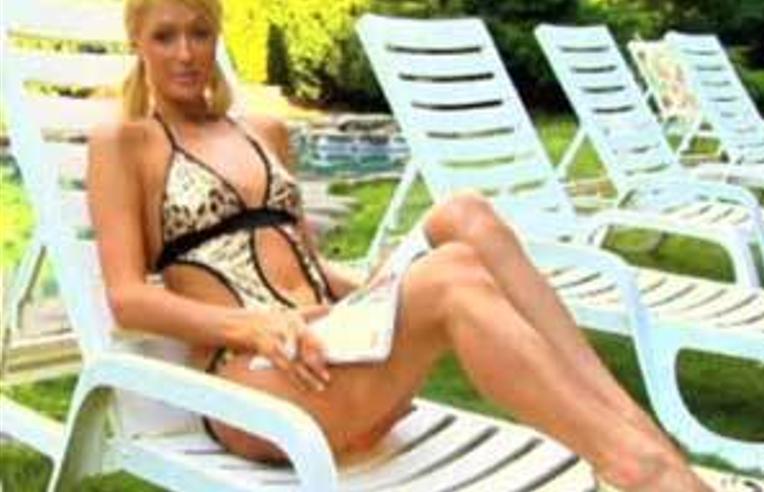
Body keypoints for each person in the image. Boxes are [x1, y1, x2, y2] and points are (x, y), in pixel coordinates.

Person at [89, 0, 712, 490]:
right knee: (452, 276)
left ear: (216, 37)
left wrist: (383, 296)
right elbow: (127, 299)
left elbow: (304, 260)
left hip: (333, 345)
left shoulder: (265, 131)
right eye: (165, 36)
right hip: (254, 385)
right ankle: (641, 469)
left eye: (199, 33)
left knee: (465, 218)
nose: (185, 52)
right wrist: (252, 327)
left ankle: (639, 433)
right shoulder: (125, 145)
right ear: (136, 42)